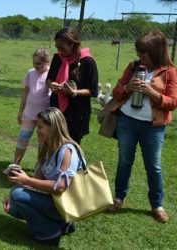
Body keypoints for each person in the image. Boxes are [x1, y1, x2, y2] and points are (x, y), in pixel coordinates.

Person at [109, 30, 177, 223]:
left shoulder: (169, 71)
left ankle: (157, 204)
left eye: (143, 53)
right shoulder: (133, 67)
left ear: (156, 52)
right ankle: (119, 197)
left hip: (153, 127)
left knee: (154, 166)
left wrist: (150, 92)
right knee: (124, 162)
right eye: (138, 52)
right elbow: (116, 91)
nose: (140, 57)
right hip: (127, 121)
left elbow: (172, 102)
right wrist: (127, 88)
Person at [3, 107, 86, 247]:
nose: (37, 130)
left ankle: (49, 233)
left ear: (53, 127)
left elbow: (60, 187)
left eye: (40, 127)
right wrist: (18, 186)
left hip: (69, 204)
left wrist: (25, 181)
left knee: (17, 195)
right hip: (55, 201)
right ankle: (62, 224)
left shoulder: (67, 151)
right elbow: (38, 180)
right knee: (14, 203)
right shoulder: (48, 148)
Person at [45, 27, 98, 144]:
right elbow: (49, 79)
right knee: (53, 141)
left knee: (71, 144)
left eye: (62, 47)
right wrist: (52, 84)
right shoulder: (58, 58)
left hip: (77, 111)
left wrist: (74, 92)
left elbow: (93, 91)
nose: (59, 50)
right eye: (57, 47)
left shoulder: (88, 62)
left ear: (73, 45)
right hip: (57, 107)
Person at [13, 47, 51, 165]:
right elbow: (25, 94)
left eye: (39, 63)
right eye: (34, 63)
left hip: (44, 117)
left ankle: (39, 168)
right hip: (29, 113)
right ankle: (15, 165)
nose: (36, 66)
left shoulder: (51, 74)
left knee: (43, 143)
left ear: (47, 61)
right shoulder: (30, 73)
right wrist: (20, 112)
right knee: (23, 139)